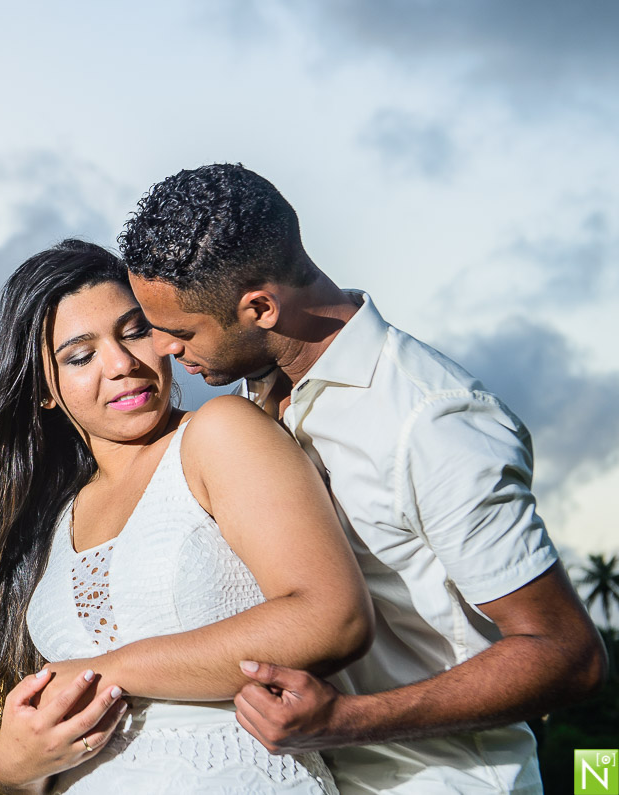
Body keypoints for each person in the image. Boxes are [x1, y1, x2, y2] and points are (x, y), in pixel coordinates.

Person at [106, 163, 607, 793]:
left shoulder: (430, 422)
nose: (165, 350)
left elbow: (568, 653)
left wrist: (344, 721)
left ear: (260, 306)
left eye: (180, 332)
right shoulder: (253, 398)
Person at [0, 239, 374, 793]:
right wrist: (7, 765)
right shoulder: (55, 514)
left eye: (134, 331)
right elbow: (38, 736)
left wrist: (110, 670)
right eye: (81, 356)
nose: (122, 365)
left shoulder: (219, 433)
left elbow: (332, 617)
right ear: (45, 390)